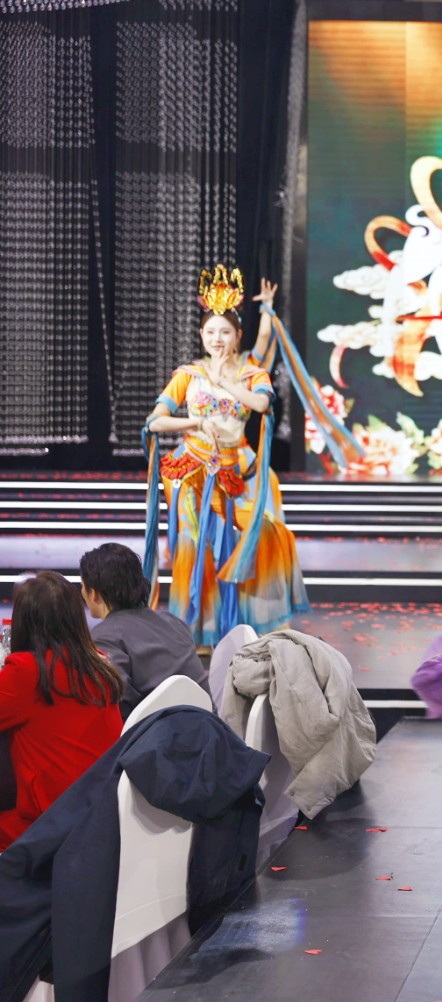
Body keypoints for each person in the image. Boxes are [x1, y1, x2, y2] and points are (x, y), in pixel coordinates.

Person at [143, 265, 310, 646]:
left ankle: (248, 626)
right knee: (195, 548)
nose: (216, 339)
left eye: (224, 332)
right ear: (201, 335)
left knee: (264, 534)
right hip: (192, 472)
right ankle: (199, 633)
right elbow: (155, 422)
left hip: (236, 470)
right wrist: (195, 423)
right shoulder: (188, 374)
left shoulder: (252, 374)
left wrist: (224, 382)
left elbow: (262, 405)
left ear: (237, 337)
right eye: (210, 332)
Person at [0, 571, 123, 850]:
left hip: (47, 828)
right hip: (100, 821)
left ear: (23, 621)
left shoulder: (27, 672)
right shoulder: (100, 666)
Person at [79, 542, 207, 713]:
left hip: (160, 728)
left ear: (94, 593)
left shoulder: (103, 638)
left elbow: (118, 707)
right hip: (209, 723)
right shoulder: (173, 622)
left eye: (82, 585)